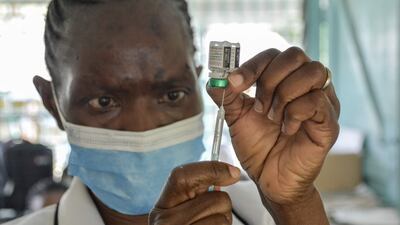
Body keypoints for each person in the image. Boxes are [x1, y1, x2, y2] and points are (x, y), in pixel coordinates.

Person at [4, 0, 340, 224]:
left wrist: (294, 204)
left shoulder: (263, 214)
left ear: (198, 86)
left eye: (172, 93)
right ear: (53, 105)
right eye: (103, 102)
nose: (142, 131)